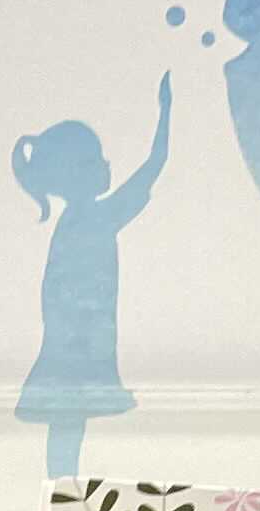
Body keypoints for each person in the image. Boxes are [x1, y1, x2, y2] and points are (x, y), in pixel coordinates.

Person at [11, 73, 174, 478]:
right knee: (68, 422)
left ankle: (62, 485)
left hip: (74, 340)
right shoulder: (94, 219)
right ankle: (61, 486)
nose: (105, 165)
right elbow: (152, 167)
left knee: (68, 424)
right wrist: (165, 113)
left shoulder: (78, 221)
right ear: (72, 174)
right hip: (78, 344)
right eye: (92, 161)